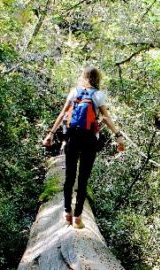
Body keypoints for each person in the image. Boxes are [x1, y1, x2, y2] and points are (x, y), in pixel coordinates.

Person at [42, 66, 124, 229]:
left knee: (70, 176)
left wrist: (50, 133)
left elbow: (62, 114)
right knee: (83, 178)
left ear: (83, 77)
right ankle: (78, 217)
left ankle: (67, 213)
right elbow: (106, 118)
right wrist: (118, 136)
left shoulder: (74, 92)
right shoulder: (98, 95)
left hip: (72, 137)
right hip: (89, 139)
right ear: (97, 79)